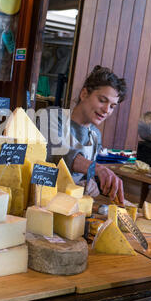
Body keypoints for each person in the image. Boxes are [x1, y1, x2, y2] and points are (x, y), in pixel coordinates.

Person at [45, 65, 127, 203]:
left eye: (112, 106)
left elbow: (84, 178)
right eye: (102, 100)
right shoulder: (52, 116)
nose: (107, 110)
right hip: (43, 202)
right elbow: (57, 153)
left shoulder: (95, 135)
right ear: (84, 94)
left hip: (69, 206)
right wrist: (97, 168)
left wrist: (90, 185)